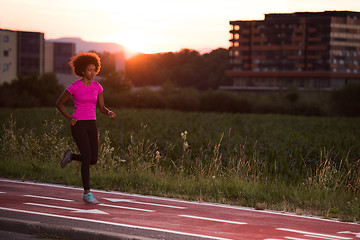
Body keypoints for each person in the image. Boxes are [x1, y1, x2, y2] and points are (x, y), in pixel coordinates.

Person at [56, 52, 116, 204]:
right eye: (90, 69)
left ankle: (71, 156)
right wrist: (70, 118)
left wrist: (108, 112)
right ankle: (87, 193)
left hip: (92, 124)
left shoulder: (98, 87)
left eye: (94, 69)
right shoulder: (74, 87)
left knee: (93, 159)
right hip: (79, 125)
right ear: (82, 71)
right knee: (87, 156)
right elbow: (59, 103)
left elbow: (101, 107)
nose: (93, 72)